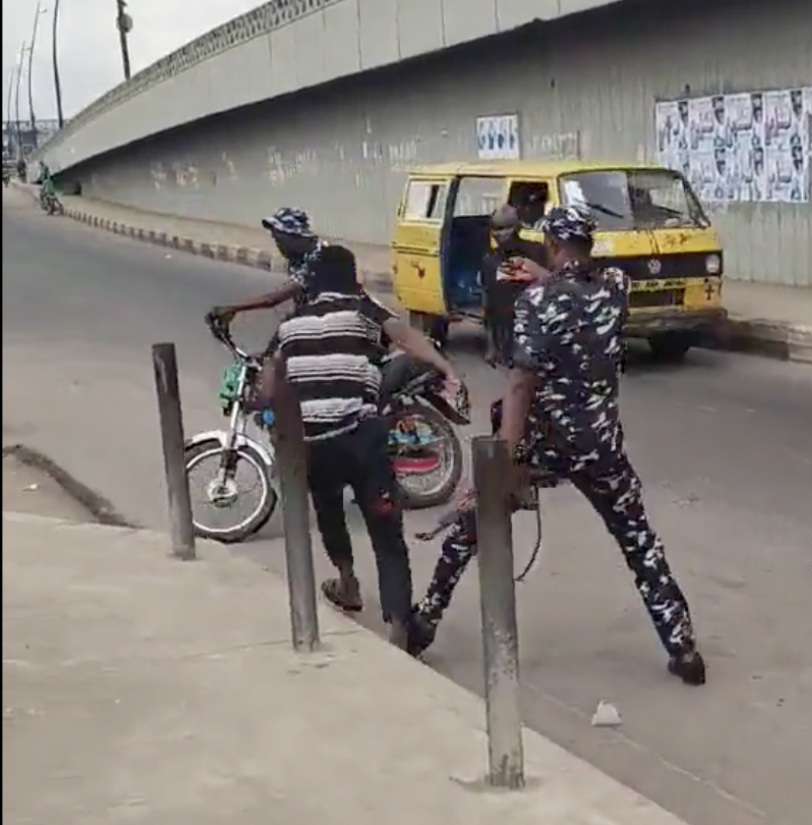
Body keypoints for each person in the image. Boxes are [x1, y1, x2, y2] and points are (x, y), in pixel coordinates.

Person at [407, 205, 706, 685]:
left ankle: (425, 620)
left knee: (471, 526)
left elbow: (522, 381)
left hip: (545, 442)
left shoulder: (537, 300)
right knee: (640, 543)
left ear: (550, 243)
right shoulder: (615, 287)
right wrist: (546, 276)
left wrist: (503, 456)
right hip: (602, 444)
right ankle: (683, 647)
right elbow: (583, 294)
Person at [263, 244, 462, 649]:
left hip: (315, 444)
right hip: (362, 439)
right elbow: (409, 340)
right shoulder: (364, 311)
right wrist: (446, 369)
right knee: (386, 533)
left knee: (329, 512)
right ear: (351, 277)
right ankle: (398, 630)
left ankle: (348, 583)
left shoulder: (289, 326)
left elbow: (270, 386)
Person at [208, 207, 328, 329]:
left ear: (294, 236)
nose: (278, 245)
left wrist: (233, 309)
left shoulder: (319, 257)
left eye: (280, 240)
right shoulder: (297, 257)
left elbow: (273, 299)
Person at [480, 205, 546, 367]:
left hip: (536, 332)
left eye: (504, 228)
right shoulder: (490, 261)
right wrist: (491, 346)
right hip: (507, 336)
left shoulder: (538, 252)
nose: (500, 234)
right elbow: (488, 305)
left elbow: (554, 283)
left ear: (517, 228)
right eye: (496, 229)